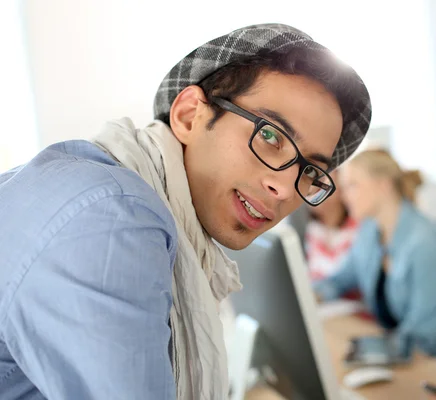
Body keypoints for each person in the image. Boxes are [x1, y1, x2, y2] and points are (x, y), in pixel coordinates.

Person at [0, 24, 371, 399]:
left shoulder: (117, 197)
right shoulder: (112, 219)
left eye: (310, 171)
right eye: (271, 136)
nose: (285, 188)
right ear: (190, 115)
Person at [313, 149, 436, 367]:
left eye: (353, 185)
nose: (344, 195)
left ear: (384, 185)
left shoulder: (428, 244)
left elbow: (421, 335)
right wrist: (307, 295)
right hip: (399, 353)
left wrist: (364, 349)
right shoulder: (369, 231)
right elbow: (340, 280)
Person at [304, 170, 359, 280]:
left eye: (323, 186)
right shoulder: (314, 229)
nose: (313, 191)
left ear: (342, 191)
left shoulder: (358, 230)